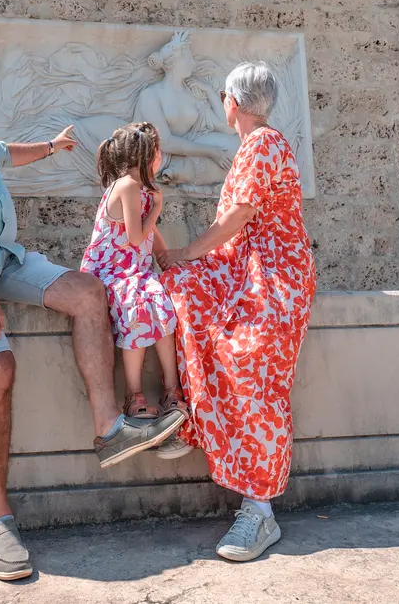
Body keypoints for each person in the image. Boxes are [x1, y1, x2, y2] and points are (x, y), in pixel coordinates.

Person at [0, 40, 186, 582]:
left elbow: (6, 152)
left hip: (1, 259)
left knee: (89, 291)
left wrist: (51, 147)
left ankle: (110, 429)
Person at [157, 61, 317, 563]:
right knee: (178, 292)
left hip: (275, 279)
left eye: (224, 96)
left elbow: (239, 216)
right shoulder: (259, 145)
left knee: (254, 372)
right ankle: (191, 420)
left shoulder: (263, 144)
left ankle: (260, 510)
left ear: (233, 102)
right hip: (251, 273)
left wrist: (186, 252)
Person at [78, 122, 184, 422]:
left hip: (133, 273)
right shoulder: (127, 186)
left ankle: (171, 388)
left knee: (162, 301)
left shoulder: (142, 190)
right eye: (159, 149)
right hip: (112, 273)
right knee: (136, 307)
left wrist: (168, 259)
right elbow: (136, 237)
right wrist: (158, 208)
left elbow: (151, 238)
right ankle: (134, 394)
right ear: (150, 155)